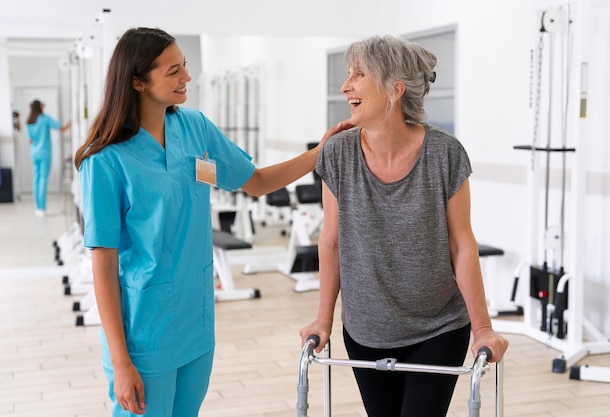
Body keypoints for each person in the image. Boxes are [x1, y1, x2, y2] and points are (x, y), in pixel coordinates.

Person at [73, 27, 351, 417]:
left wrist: (319, 153)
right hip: (143, 333)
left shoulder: (194, 127)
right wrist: (121, 363)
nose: (187, 77)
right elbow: (102, 263)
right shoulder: (106, 160)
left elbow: (255, 182)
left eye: (184, 66)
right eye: (173, 71)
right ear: (137, 82)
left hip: (196, 321)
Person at [299, 35, 509, 417]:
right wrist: (322, 319)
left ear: (395, 89)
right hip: (366, 330)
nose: (346, 86)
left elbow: (462, 244)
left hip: (439, 326)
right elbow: (330, 243)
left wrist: (482, 329)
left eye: (359, 74)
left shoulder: (445, 153)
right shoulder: (337, 153)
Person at [26, 100, 70, 217]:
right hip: (44, 153)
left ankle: (38, 208)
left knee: (36, 179)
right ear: (39, 107)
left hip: (34, 153)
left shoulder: (30, 121)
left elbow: (30, 140)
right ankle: (42, 209)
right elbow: (61, 128)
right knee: (43, 179)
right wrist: (71, 123)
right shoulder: (44, 119)